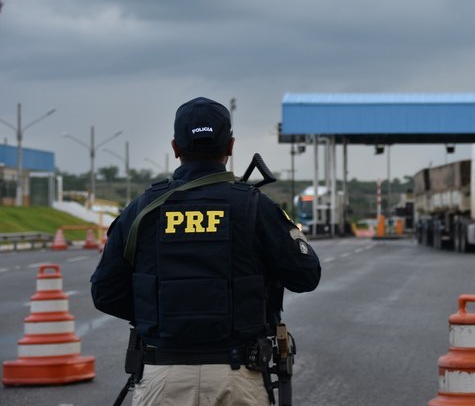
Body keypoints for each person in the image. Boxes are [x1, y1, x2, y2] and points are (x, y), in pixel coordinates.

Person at [91, 97, 321, 406]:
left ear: (175, 147)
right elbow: (306, 275)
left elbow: (105, 292)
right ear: (231, 146)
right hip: (238, 375)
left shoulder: (141, 210)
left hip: (162, 375)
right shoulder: (253, 205)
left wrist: (160, 311)